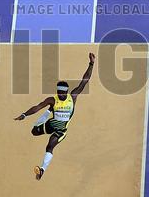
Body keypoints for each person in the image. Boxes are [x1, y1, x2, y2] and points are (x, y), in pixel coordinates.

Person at [15, 52, 95, 180]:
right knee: (34, 131)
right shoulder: (52, 99)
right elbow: (37, 107)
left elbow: (84, 81)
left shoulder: (72, 97)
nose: (61, 95)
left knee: (50, 146)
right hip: (51, 124)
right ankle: (49, 112)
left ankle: (42, 170)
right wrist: (25, 114)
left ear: (67, 92)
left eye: (63, 93)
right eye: (59, 92)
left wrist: (91, 64)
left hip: (61, 130)